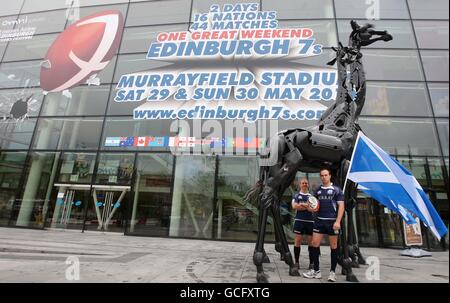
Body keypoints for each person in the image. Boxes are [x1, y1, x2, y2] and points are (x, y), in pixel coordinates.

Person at [303, 168, 345, 282]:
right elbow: (312, 204)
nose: (324, 177)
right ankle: (316, 271)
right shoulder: (318, 190)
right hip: (319, 221)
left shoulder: (337, 190)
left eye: (326, 175)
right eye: (322, 175)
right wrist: (310, 207)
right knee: (314, 244)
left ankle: (332, 272)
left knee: (334, 246)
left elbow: (341, 206)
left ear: (330, 176)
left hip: (332, 222)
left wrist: (337, 221)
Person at [291, 178, 315, 270]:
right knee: (297, 241)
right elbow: (294, 206)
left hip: (310, 221)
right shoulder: (296, 195)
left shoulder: (312, 196)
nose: (304, 184)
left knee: (311, 243)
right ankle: (296, 262)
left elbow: (313, 208)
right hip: (299, 221)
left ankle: (312, 263)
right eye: (303, 183)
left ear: (308, 185)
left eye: (306, 183)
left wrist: (301, 205)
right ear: (300, 185)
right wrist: (307, 206)